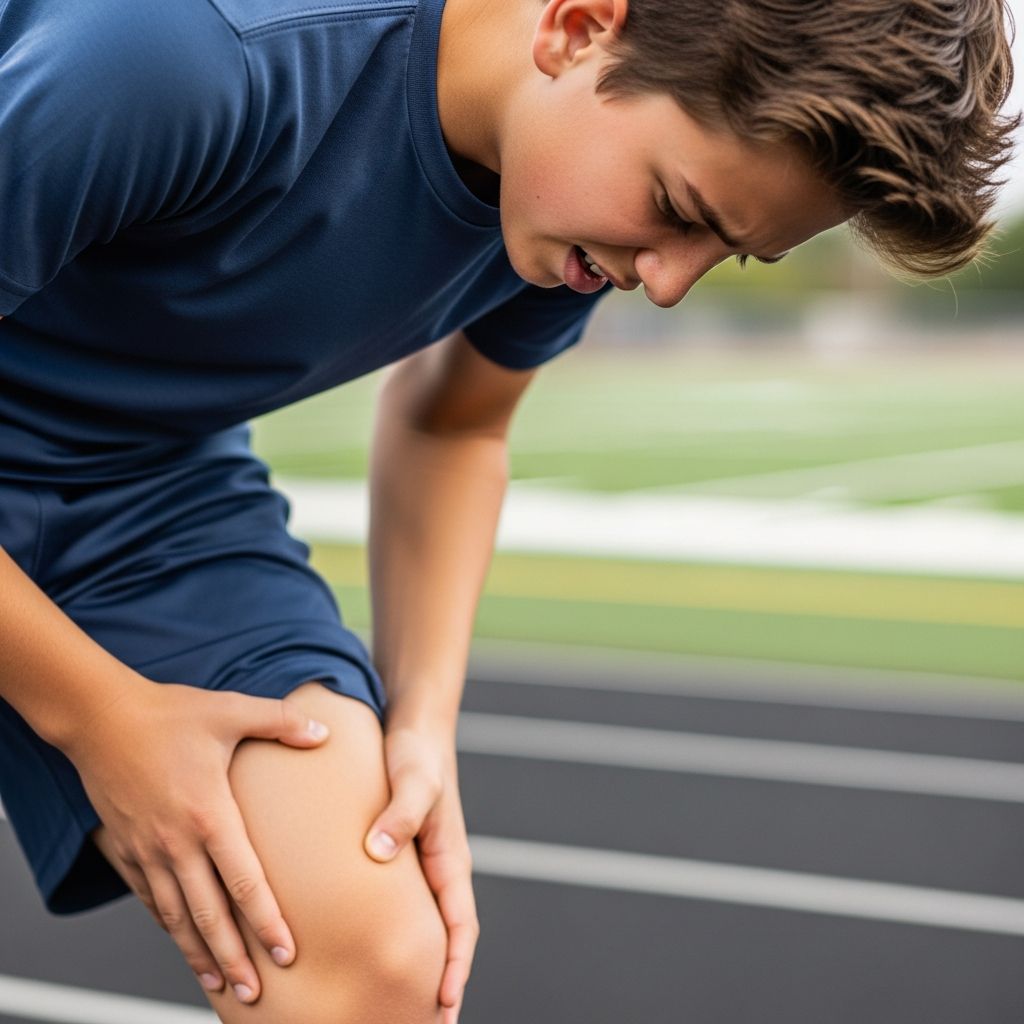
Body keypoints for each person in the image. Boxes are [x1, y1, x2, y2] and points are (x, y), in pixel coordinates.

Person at [0, 0, 1016, 1019]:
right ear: (578, 27)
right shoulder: (174, 59)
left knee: (380, 960)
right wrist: (102, 716)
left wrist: (423, 726)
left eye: (730, 253)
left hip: (145, 489)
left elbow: (456, 427)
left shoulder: (571, 196)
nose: (664, 282)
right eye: (678, 206)